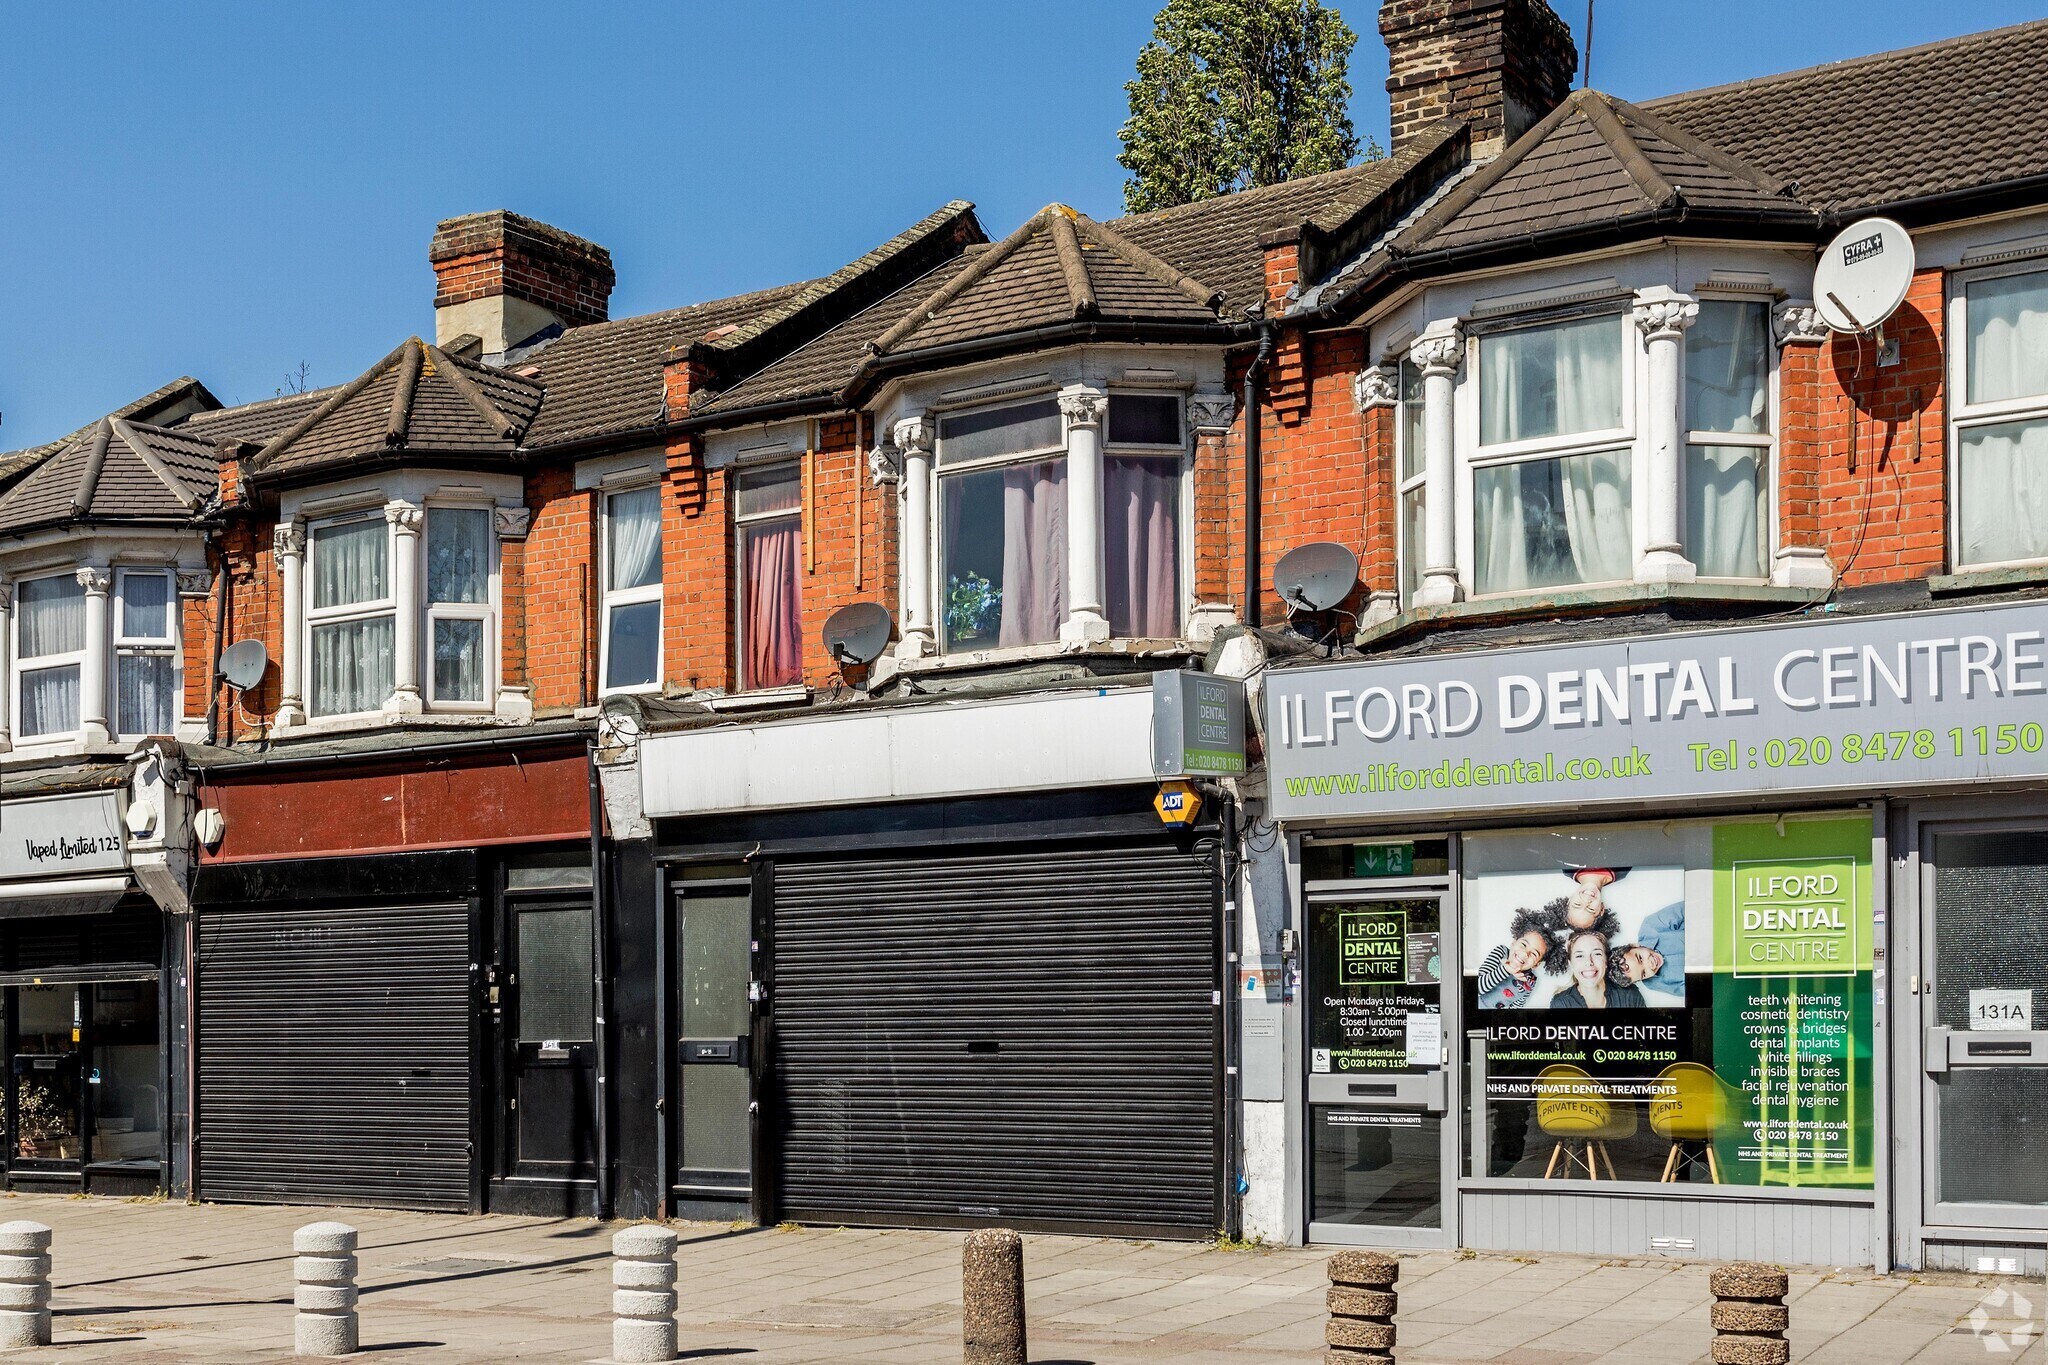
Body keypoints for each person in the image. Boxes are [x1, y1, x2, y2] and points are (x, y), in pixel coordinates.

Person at [1476, 906, 1558, 1009]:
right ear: (1513, 943)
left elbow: (1516, 1006)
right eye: (1524, 944)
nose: (1525, 953)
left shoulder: (1529, 982)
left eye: (1534, 954)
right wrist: (1505, 970)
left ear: (1536, 964)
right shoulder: (1501, 953)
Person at [1549, 930, 1646, 1009]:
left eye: (1597, 954)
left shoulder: (1630, 996)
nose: (1589, 962)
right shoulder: (1560, 1005)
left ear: (1606, 961)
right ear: (1571, 965)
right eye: (1579, 956)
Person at [1615, 901, 1686, 998]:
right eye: (1644, 973)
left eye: (1640, 958)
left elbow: (1687, 908)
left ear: (1635, 946)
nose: (1651, 965)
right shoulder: (1653, 984)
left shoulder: (1651, 926)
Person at [1561, 866, 1628, 930]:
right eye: (1591, 909)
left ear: (1569, 900)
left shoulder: (1567, 868)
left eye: (1577, 904)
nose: (1587, 899)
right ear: (1601, 909)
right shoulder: (1622, 871)